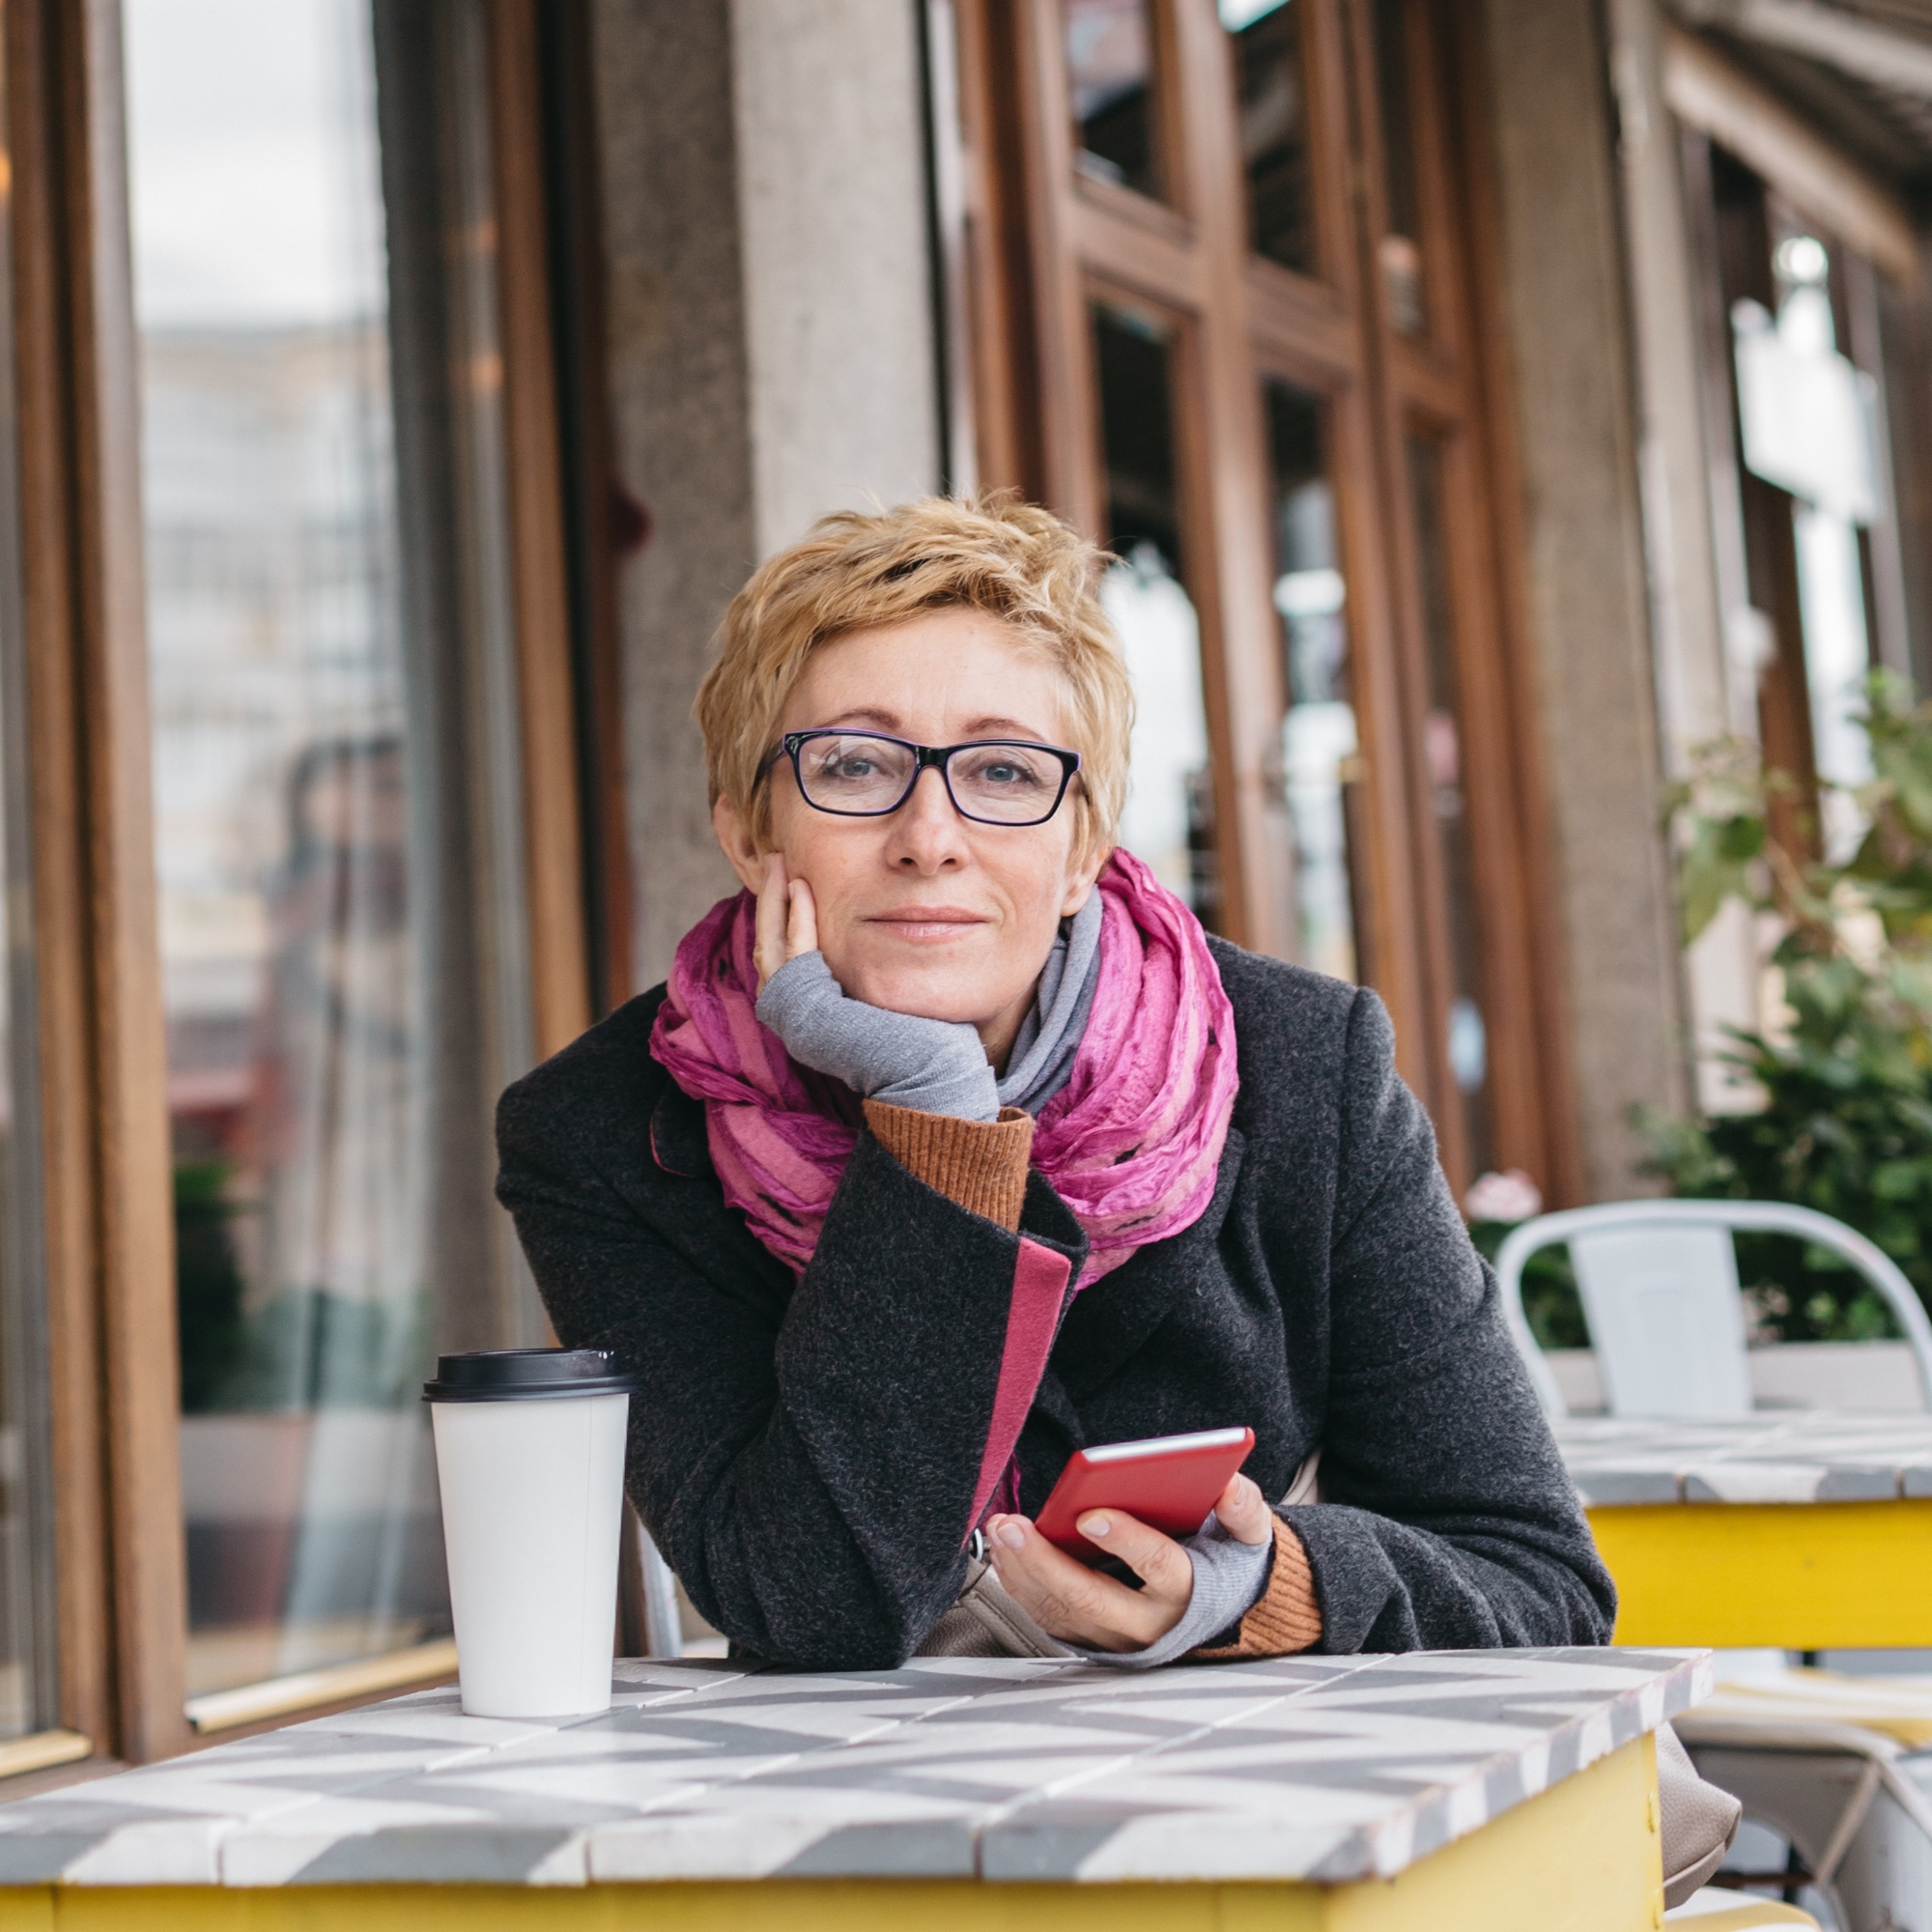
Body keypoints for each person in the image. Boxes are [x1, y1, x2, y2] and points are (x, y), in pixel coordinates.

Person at [494, 495, 1616, 1671]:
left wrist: (1253, 1587)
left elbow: (1533, 1576)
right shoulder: (606, 1134)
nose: (930, 834)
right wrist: (931, 1113)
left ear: (1082, 848)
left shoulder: (1303, 1066)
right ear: (745, 830)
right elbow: (812, 1601)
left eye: (1001, 770)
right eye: (853, 764)